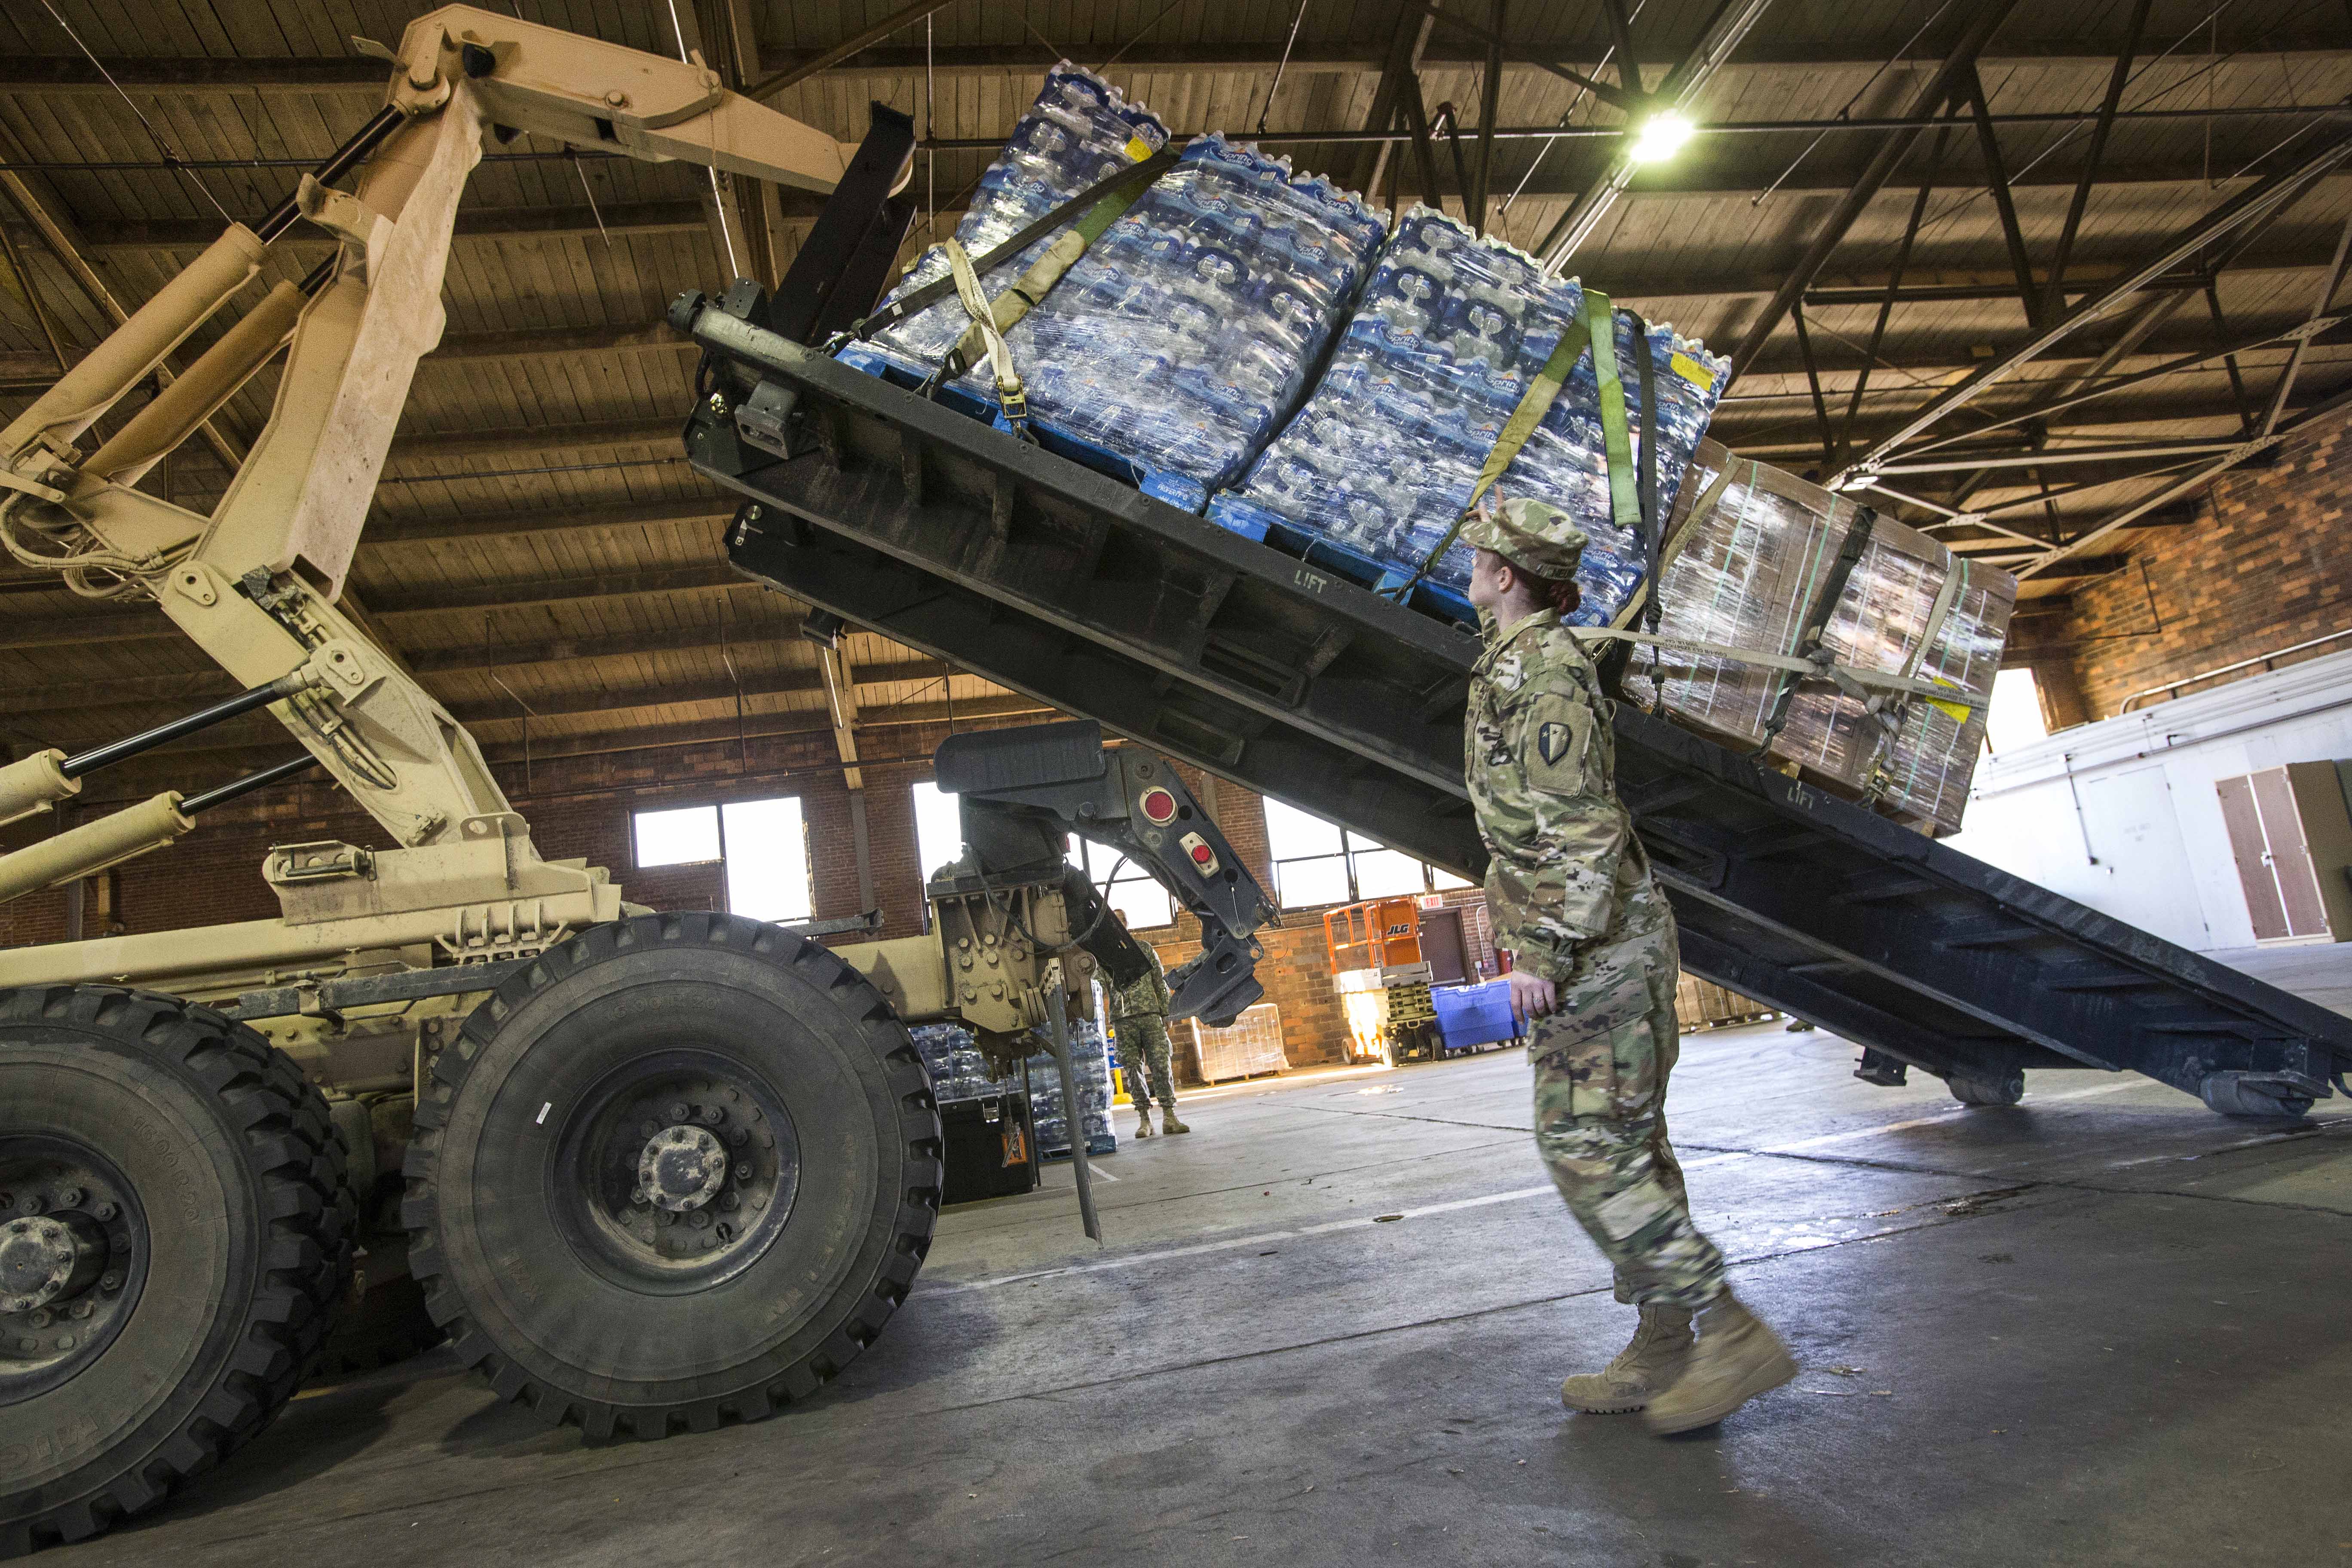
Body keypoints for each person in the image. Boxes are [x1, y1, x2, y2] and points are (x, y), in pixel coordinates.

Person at [1461, 494, 1795, 1436]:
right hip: (1595, 942)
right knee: (1629, 1145)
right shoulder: (1513, 661)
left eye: (1483, 556)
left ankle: (1728, 1331)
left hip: (1599, 949)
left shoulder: (1548, 677)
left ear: (1507, 577)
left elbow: (1582, 828)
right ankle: (1664, 1345)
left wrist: (1541, 950)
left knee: (1584, 1146)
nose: (1472, 567)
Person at [1107, 920, 1188, 1137]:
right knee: (1132, 1069)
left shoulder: (1144, 949)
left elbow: (1159, 982)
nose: (1119, 926)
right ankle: (1145, 1120)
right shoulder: (1106, 956)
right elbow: (1096, 986)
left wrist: (1166, 1012)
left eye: (1122, 921)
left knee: (1162, 1063)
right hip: (1123, 1020)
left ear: (1126, 924)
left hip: (1150, 1016)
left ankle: (1170, 1116)